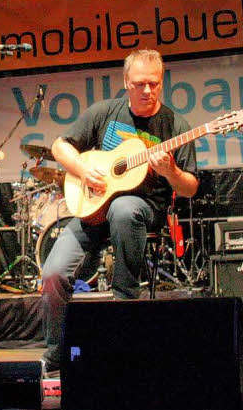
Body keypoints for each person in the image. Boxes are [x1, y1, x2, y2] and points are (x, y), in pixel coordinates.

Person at [39, 49, 199, 374]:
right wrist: (83, 172)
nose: (147, 91)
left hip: (141, 210)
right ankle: (56, 355)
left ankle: (125, 306)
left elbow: (190, 187)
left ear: (162, 82)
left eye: (154, 84)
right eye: (139, 83)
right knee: (52, 274)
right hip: (93, 209)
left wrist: (170, 172)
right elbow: (59, 147)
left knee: (125, 208)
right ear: (126, 82)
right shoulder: (104, 112)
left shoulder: (175, 125)